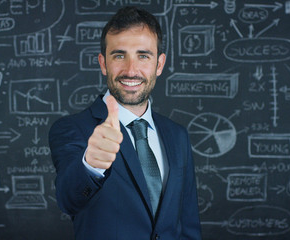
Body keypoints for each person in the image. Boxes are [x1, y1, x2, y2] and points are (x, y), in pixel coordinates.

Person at [48, 6, 201, 240]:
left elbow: (188, 224)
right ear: (103, 63)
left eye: (143, 56)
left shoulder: (177, 135)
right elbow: (69, 200)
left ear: (159, 65)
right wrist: (91, 165)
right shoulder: (71, 129)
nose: (131, 70)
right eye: (119, 55)